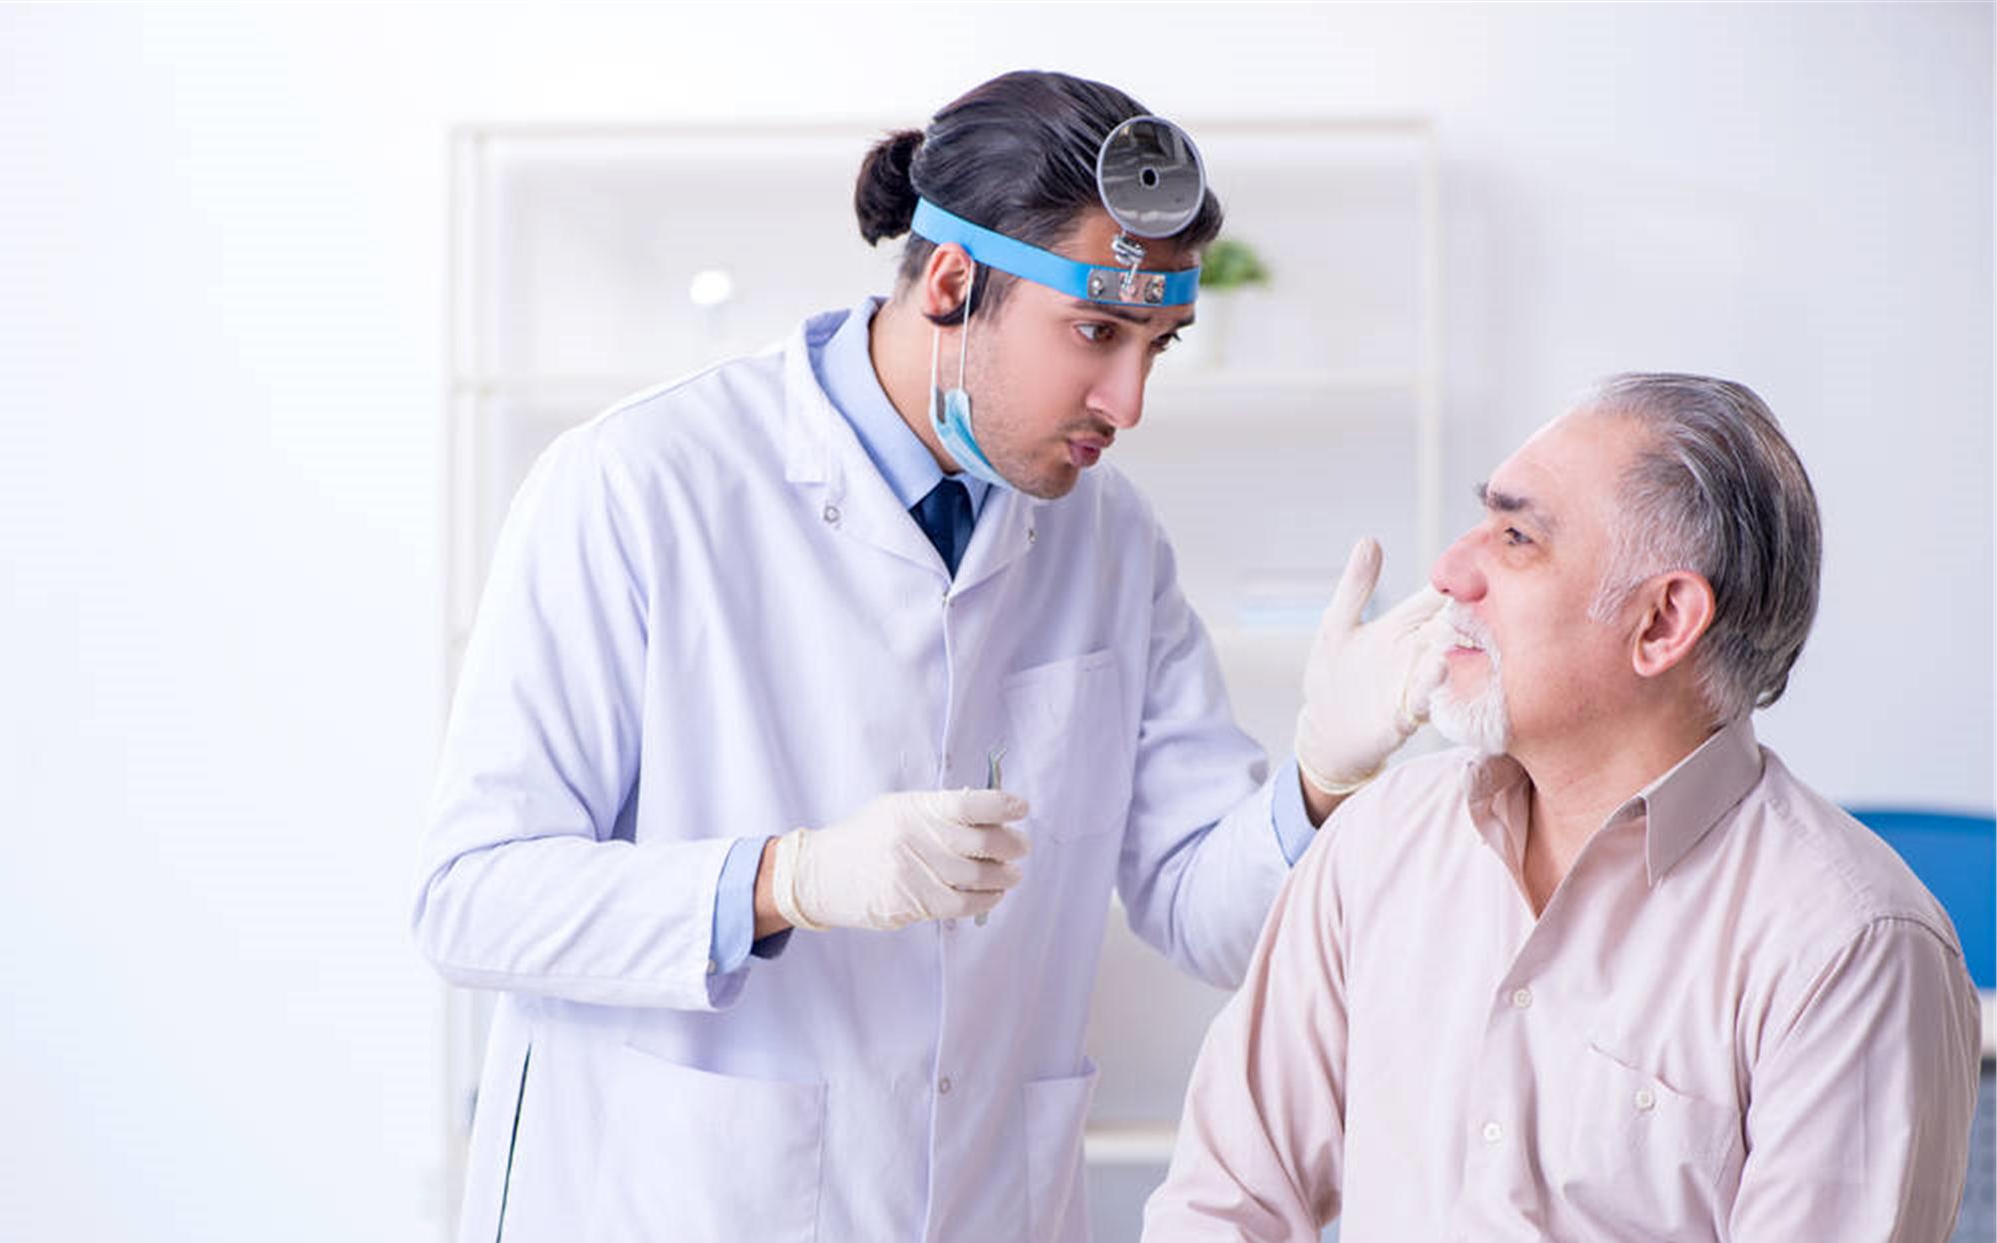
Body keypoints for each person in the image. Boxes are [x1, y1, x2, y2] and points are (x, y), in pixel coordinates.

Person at [414, 70, 1446, 1242]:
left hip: (982, 1201)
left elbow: (1203, 915)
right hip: (680, 1197)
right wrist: (783, 881)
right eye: (1097, 333)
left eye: (1158, 344)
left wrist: (1320, 777)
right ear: (953, 283)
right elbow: (471, 900)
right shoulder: (640, 484)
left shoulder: (1110, 540)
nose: (1129, 402)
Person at [1142, 373, 1984, 1241]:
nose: (1449, 572)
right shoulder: (1380, 841)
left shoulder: (1849, 946)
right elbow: (1222, 1202)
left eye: (1516, 537)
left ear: (1663, 622)